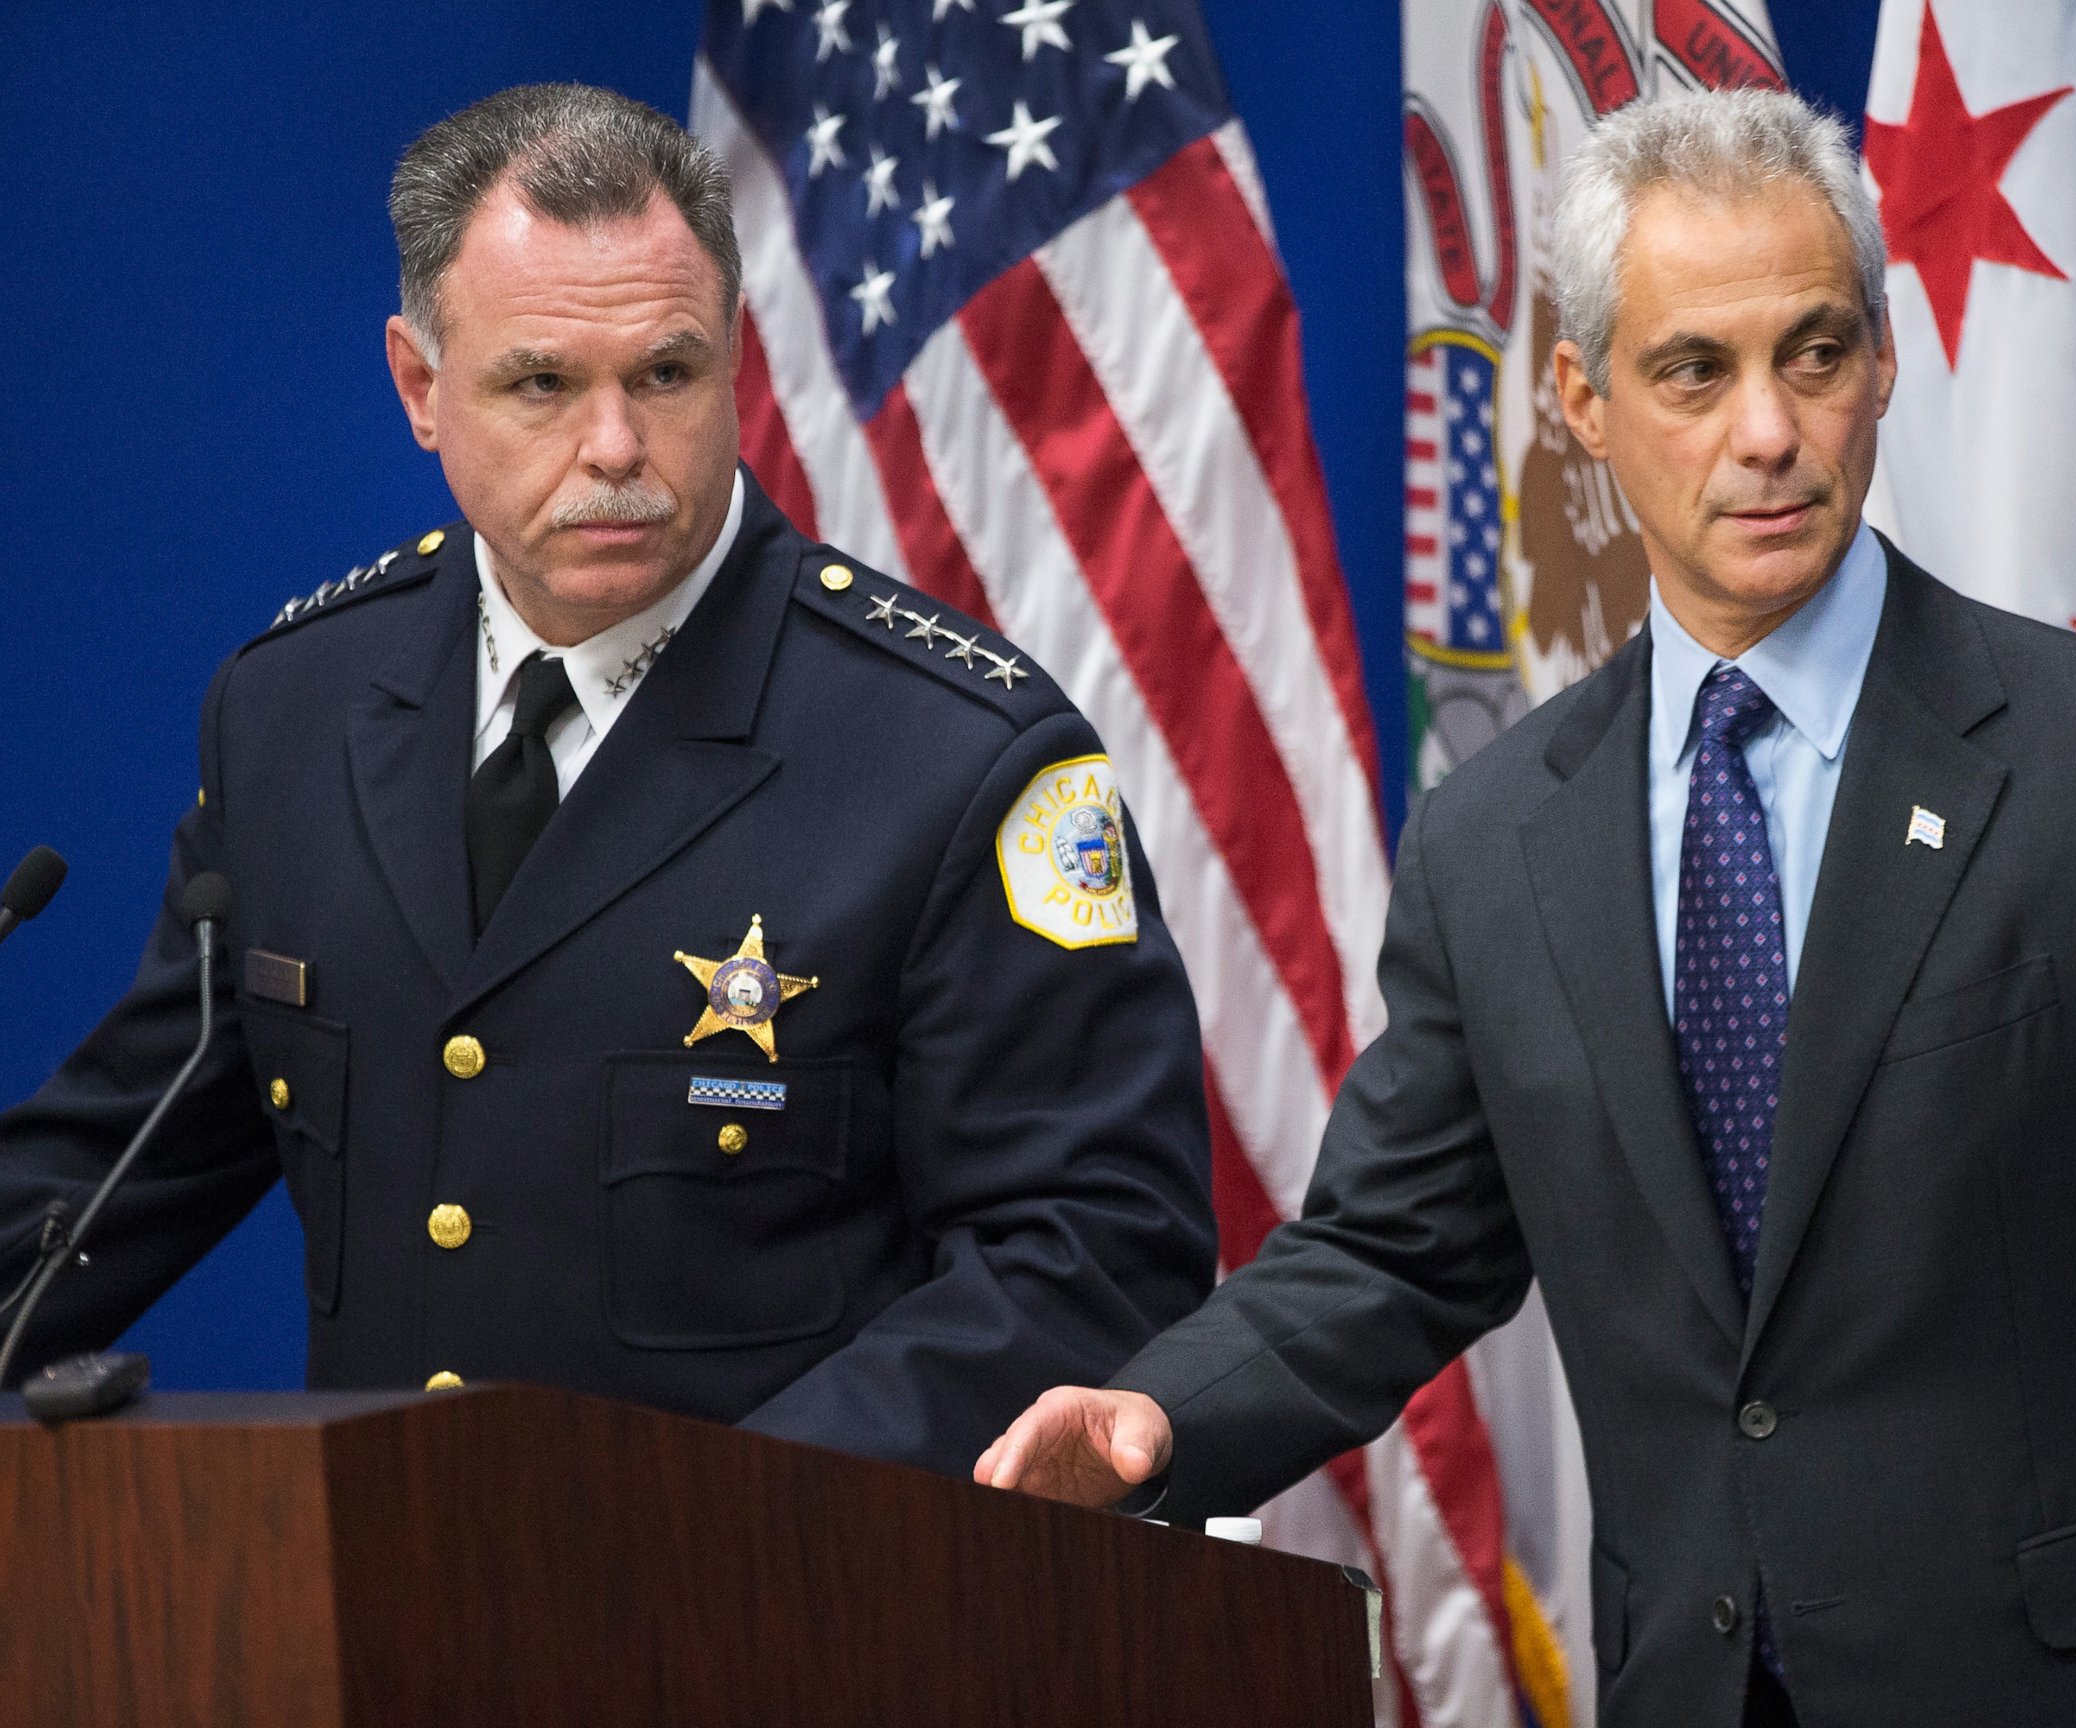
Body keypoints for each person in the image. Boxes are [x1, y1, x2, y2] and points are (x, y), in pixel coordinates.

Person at [977, 87, 2076, 1725]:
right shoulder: (1494, 846)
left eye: (1814, 355)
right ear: (1582, 403)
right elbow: (1391, 1253)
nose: (1769, 431)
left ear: (1883, 364)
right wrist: (1155, 1424)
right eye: (1697, 370)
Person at [0, 84, 1217, 1475]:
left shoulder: (953, 755)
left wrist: (710, 1523)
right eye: (542, 383)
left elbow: (1095, 1258)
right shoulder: (295, 712)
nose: (618, 450)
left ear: (737, 364)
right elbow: (121, 1161)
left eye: (666, 373)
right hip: (376, 1622)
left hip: (775, 1621)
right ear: (419, 387)